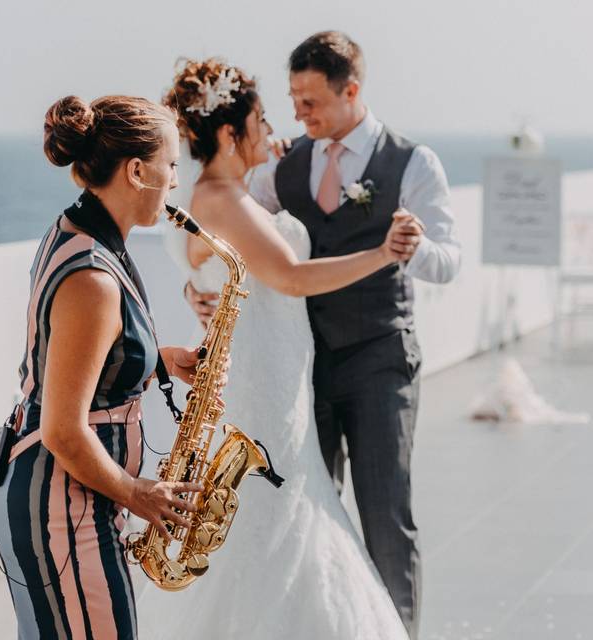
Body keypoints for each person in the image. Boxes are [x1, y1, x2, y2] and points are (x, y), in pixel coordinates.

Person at [182, 32, 461, 637]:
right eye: (291, 101)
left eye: (310, 102)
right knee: (305, 511)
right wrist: (198, 291)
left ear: (351, 90)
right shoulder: (281, 165)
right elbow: (217, 237)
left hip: (378, 356)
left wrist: (411, 252)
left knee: (386, 516)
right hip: (298, 371)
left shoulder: (412, 162)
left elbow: (449, 258)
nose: (298, 115)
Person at [135, 58, 419, 639]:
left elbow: (222, 267)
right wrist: (384, 255)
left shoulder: (230, 194)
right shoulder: (218, 198)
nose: (271, 129)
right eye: (259, 121)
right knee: (269, 515)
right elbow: (289, 276)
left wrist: (199, 287)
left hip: (277, 368)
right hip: (258, 378)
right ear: (227, 134)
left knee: (284, 509)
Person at [0, 94, 206, 640]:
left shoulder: (83, 231)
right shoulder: (92, 277)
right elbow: (63, 429)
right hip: (62, 505)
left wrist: (160, 359)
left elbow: (85, 353)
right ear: (136, 171)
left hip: (67, 496)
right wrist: (138, 493)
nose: (176, 181)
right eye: (171, 165)